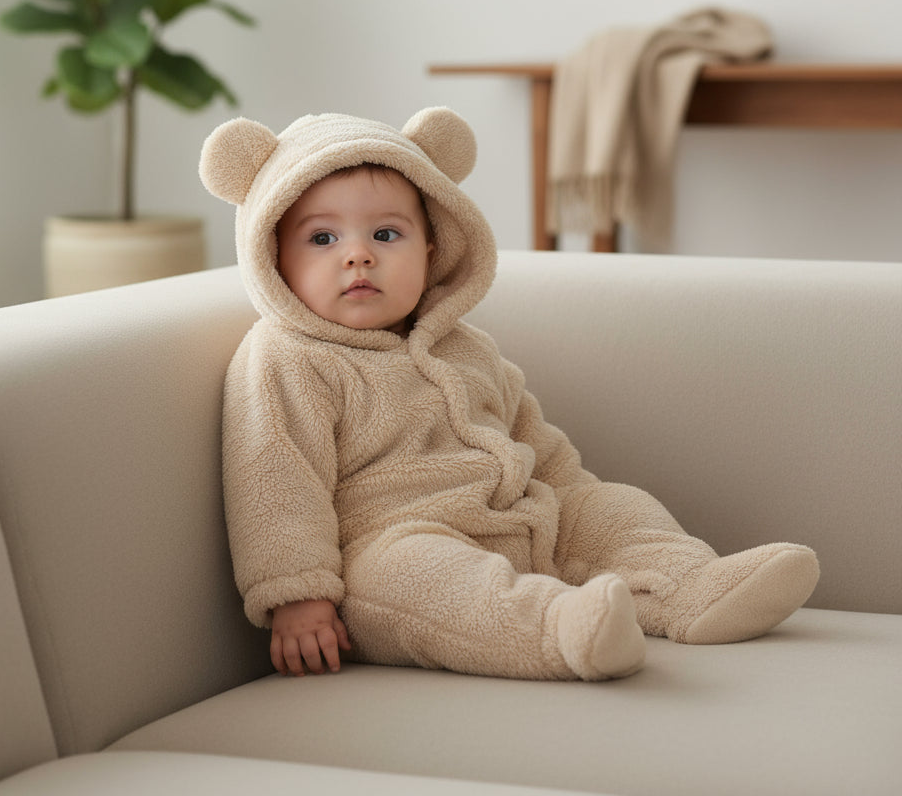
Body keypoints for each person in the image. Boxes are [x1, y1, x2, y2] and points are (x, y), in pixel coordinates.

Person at [199, 108, 819, 682]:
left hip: (522, 517)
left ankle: (691, 587)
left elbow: (534, 438)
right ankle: (561, 629)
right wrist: (297, 595)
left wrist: (578, 500)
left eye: (386, 235)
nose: (358, 256)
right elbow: (275, 480)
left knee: (615, 508)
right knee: (420, 579)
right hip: (395, 542)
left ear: (433, 250)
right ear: (273, 258)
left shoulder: (465, 347)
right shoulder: (286, 359)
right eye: (322, 239)